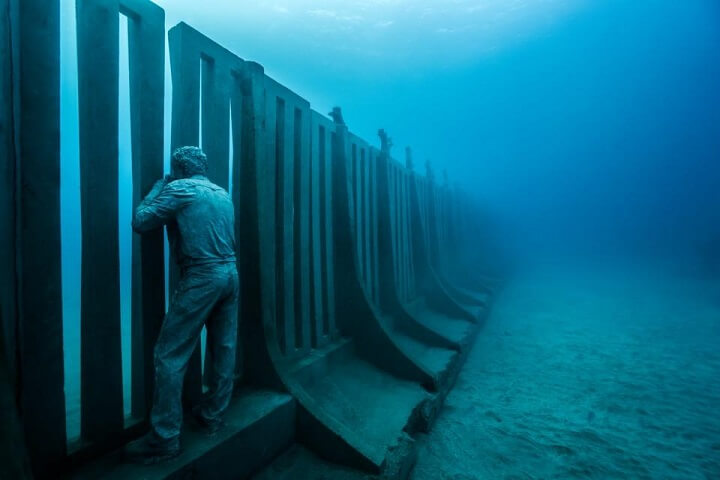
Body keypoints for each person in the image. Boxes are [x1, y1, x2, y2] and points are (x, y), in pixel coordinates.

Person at [125, 146, 239, 464]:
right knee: (224, 349)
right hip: (231, 273)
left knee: (168, 355)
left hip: (202, 276)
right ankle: (212, 417)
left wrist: (157, 187)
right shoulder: (221, 192)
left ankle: (164, 438)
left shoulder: (180, 188)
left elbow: (141, 220)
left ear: (178, 168)